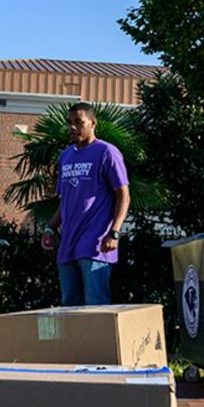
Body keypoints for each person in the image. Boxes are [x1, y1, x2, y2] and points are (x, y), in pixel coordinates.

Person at [40, 102, 130, 306]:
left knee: (95, 305)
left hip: (95, 243)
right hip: (68, 243)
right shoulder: (65, 156)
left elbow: (124, 195)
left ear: (93, 123)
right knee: (69, 306)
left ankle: (98, 340)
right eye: (69, 123)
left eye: (78, 122)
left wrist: (114, 232)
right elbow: (66, 201)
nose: (72, 127)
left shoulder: (107, 152)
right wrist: (49, 227)